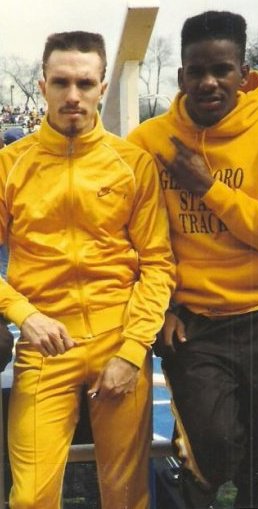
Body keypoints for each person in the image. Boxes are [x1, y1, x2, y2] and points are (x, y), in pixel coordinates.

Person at [128, 10, 258, 509]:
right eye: (197, 70)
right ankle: (190, 476)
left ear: (243, 71)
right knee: (212, 444)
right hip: (192, 322)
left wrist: (210, 190)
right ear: (181, 74)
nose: (209, 82)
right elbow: (128, 241)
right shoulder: (148, 144)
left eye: (222, 69)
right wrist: (161, 308)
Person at [0, 31, 175, 509]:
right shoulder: (10, 165)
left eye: (84, 82)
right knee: (31, 497)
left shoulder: (131, 163)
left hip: (118, 341)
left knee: (126, 496)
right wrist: (24, 314)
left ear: (101, 87)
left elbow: (158, 264)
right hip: (43, 347)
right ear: (42, 86)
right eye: (61, 82)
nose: (72, 96)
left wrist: (133, 348)